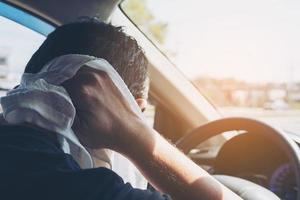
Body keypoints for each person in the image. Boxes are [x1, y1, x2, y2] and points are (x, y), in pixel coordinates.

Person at [0, 18, 241, 200]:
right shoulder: (77, 186)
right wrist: (135, 133)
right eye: (140, 113)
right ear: (122, 106)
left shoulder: (15, 149)